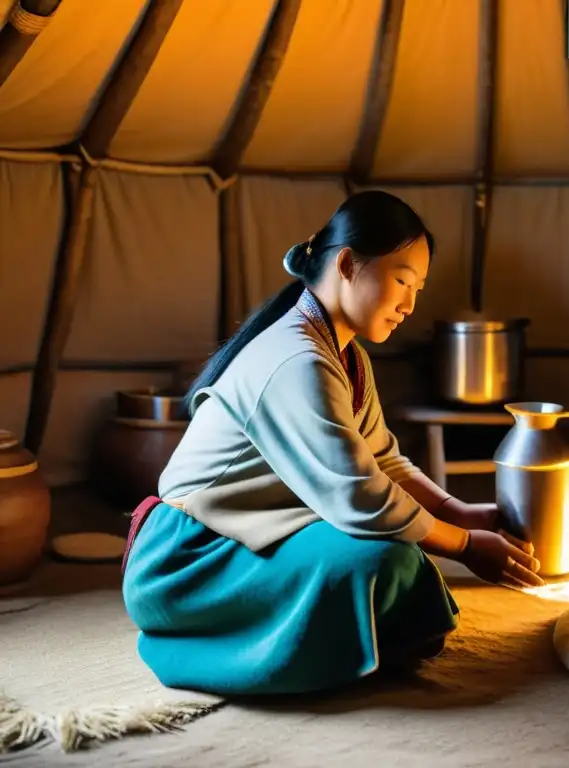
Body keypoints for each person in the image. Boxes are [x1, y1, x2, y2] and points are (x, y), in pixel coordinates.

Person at [121, 190, 544, 697]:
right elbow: (363, 498)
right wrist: (466, 545)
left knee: (397, 554)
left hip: (252, 535)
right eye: (402, 281)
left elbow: (383, 461)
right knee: (379, 558)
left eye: (418, 288)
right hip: (189, 559)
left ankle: (349, 640)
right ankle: (215, 647)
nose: (410, 305)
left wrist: (459, 512)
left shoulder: (346, 356)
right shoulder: (296, 359)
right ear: (347, 264)